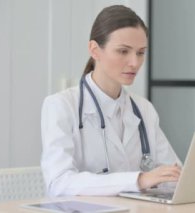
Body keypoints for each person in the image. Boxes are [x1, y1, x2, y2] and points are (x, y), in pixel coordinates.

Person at [41, 5, 181, 197]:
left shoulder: (143, 109)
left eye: (140, 52)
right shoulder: (61, 106)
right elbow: (59, 183)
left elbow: (173, 176)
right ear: (95, 50)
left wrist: (178, 180)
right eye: (123, 51)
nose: (134, 62)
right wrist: (139, 180)